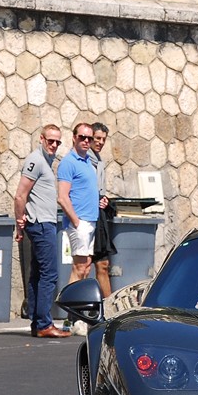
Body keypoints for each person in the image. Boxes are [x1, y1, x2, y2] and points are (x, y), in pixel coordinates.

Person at [14, 124, 70, 339]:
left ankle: (37, 323)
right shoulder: (35, 160)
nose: (54, 145)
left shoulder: (45, 161)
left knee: (38, 273)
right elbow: (20, 195)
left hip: (44, 222)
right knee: (49, 274)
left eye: (57, 142)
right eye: (50, 141)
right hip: (41, 224)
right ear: (41, 139)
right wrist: (20, 221)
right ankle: (45, 324)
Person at [57, 121, 101, 288]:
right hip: (80, 221)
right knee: (79, 267)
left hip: (90, 220)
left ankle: (79, 308)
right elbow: (62, 197)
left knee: (86, 266)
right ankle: (72, 310)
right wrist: (76, 222)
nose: (85, 141)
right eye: (82, 137)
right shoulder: (69, 162)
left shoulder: (88, 162)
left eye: (89, 139)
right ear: (74, 138)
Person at [88, 121, 115, 297]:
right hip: (85, 216)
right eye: (97, 138)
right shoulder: (82, 160)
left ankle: (109, 310)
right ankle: (74, 314)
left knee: (103, 265)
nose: (100, 142)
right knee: (82, 267)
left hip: (99, 217)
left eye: (103, 139)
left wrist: (104, 200)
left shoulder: (99, 161)